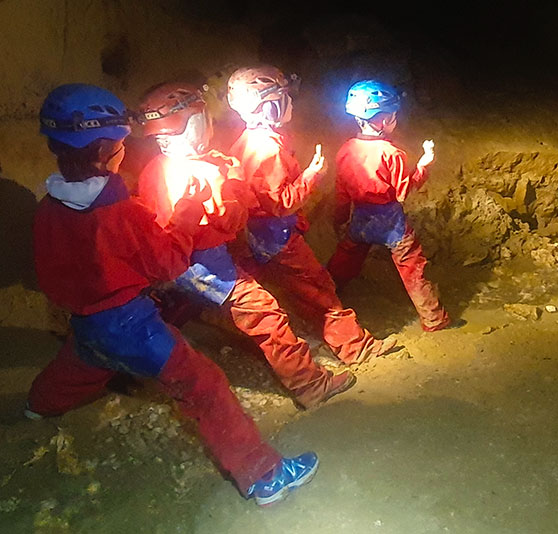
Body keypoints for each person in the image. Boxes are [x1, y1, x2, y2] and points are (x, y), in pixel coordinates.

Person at [22, 83, 315, 505]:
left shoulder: (48, 209)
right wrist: (186, 216)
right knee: (206, 387)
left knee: (78, 367)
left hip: (86, 324)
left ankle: (36, 409)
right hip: (133, 326)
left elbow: (50, 276)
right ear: (109, 150)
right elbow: (168, 263)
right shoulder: (121, 213)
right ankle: (264, 475)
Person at [129, 81, 357, 409]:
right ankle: (310, 385)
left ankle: (155, 345)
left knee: (187, 299)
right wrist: (234, 179)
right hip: (205, 263)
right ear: (194, 124)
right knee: (266, 314)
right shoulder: (208, 174)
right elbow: (232, 222)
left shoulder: (154, 169)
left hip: (173, 260)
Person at [225, 65, 400, 365]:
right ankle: (355, 347)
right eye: (285, 97)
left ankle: (309, 321)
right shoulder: (269, 150)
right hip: (278, 236)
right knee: (319, 285)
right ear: (268, 107)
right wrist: (312, 175)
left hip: (257, 235)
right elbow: (282, 203)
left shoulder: (248, 140)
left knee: (294, 285)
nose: (291, 102)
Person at [328, 79, 452, 331]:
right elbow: (403, 191)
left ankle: (326, 295)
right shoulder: (392, 153)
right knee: (412, 266)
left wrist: (339, 219)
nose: (395, 120)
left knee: (347, 256)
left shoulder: (345, 150)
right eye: (393, 116)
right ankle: (434, 319)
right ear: (383, 121)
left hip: (360, 219)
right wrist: (424, 165)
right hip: (391, 221)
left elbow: (341, 192)